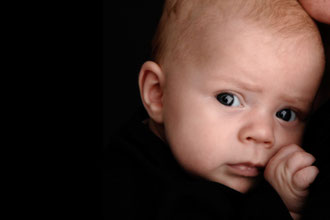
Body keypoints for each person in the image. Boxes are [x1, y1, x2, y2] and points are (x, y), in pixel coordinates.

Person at [103, 0, 325, 219]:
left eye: (286, 114)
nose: (263, 134)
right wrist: (280, 207)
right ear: (158, 94)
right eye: (228, 99)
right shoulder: (125, 186)